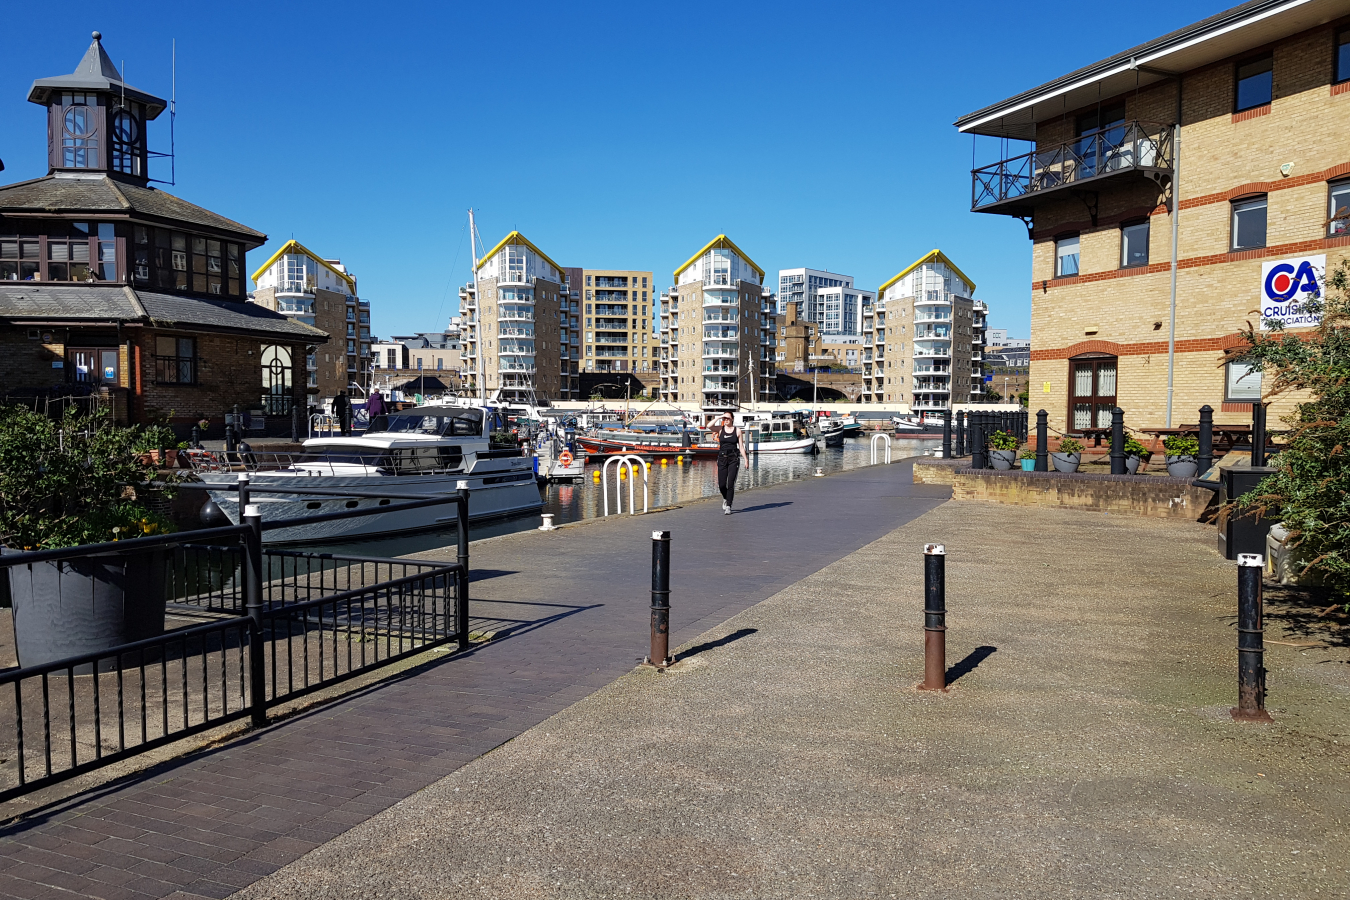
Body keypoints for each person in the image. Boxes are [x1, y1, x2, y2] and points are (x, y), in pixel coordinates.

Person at [714, 412, 749, 515]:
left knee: (730, 483)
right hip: (722, 458)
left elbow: (741, 447)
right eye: (725, 418)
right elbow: (709, 426)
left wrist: (746, 460)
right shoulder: (720, 430)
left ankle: (729, 505)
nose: (726, 420)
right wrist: (720, 417)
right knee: (721, 484)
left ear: (732, 419)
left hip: (733, 459)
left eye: (728, 418)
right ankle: (725, 498)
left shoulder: (737, 431)